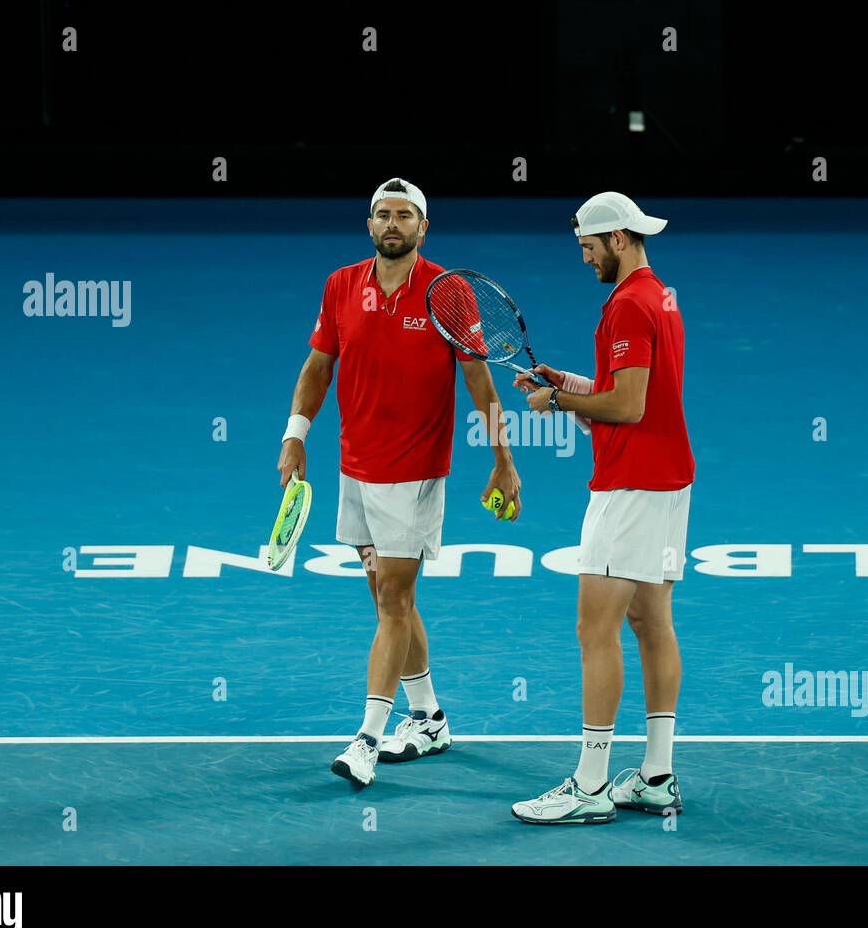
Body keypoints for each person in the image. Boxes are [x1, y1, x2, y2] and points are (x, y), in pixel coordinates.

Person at [277, 178, 520, 787]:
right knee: (389, 600)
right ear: (369, 226)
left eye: (405, 216)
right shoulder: (340, 285)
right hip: (355, 469)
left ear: (423, 228)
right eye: (383, 215)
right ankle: (430, 717)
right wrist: (295, 433)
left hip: (413, 473)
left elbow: (479, 381)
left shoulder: (450, 293)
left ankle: (367, 738)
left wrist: (502, 458)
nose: (393, 224)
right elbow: (318, 365)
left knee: (392, 601)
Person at [509, 192, 694, 824]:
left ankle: (589, 786)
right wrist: (572, 384)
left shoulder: (627, 305)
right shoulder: (660, 296)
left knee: (596, 631)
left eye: (589, 248)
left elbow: (629, 408)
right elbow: (630, 394)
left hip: (630, 489)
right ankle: (657, 776)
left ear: (618, 238)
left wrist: (558, 406)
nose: (585, 260)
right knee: (650, 624)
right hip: (669, 483)